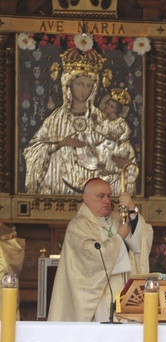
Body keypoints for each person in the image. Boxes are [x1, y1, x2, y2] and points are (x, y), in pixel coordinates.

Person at [23, 48, 134, 195]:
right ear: (69, 85)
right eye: (79, 84)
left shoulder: (101, 118)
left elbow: (123, 152)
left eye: (89, 86)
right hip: (59, 187)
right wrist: (61, 144)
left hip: (96, 187)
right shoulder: (56, 119)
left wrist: (113, 157)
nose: (84, 91)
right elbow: (32, 150)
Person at [48, 178, 153, 322]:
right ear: (86, 198)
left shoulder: (117, 219)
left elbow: (140, 243)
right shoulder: (78, 226)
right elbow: (93, 259)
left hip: (124, 292)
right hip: (99, 299)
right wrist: (119, 238)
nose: (107, 201)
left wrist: (132, 210)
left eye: (109, 196)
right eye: (101, 196)